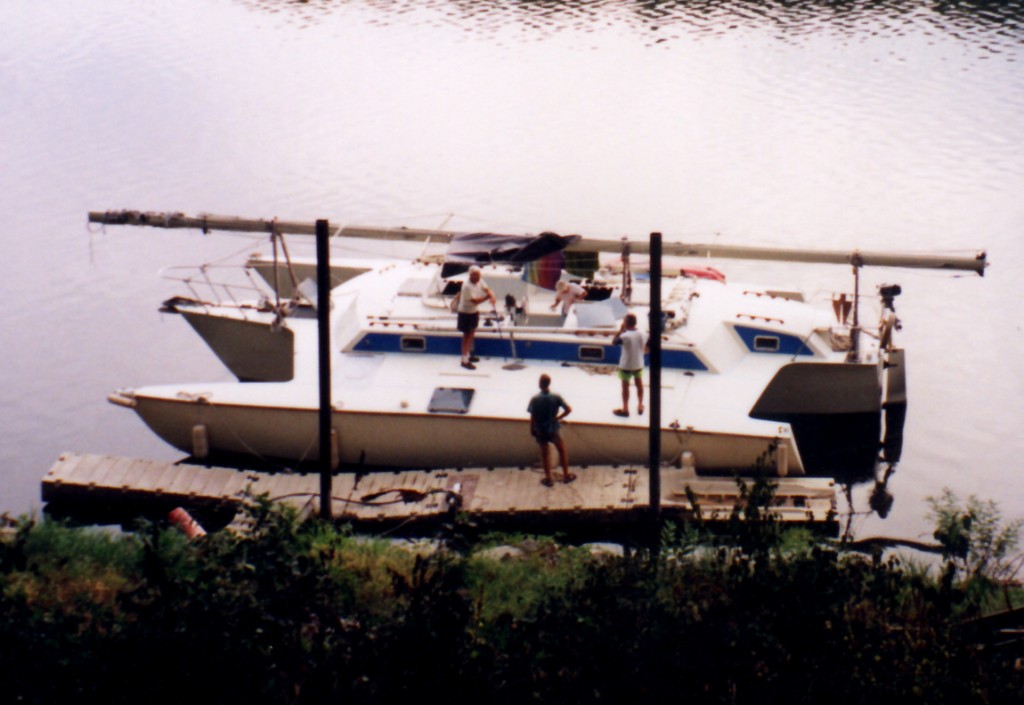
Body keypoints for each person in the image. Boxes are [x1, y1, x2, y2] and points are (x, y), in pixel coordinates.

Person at [527, 373, 574, 487]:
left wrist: (532, 429)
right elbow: (568, 409)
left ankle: (548, 478)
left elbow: (532, 416)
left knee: (545, 455)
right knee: (562, 450)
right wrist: (558, 418)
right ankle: (566, 475)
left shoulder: (535, 399)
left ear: (540, 384)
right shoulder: (556, 397)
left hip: (541, 430)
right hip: (553, 428)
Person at [454, 265, 496, 369]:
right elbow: (475, 301)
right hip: (465, 312)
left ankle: (468, 355)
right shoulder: (466, 286)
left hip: (473, 312)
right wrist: (487, 297)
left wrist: (492, 295)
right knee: (466, 335)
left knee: (471, 333)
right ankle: (464, 360)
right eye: (475, 276)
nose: (477, 278)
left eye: (478, 275)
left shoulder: (479, 280)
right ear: (470, 276)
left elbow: (487, 289)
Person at [613, 312, 648, 417]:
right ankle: (640, 405)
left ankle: (625, 409)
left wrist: (620, 331)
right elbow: (650, 345)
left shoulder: (624, 336)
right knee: (639, 384)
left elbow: (614, 342)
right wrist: (643, 351)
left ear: (626, 323)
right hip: (638, 363)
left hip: (626, 365)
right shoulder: (643, 334)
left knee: (625, 387)